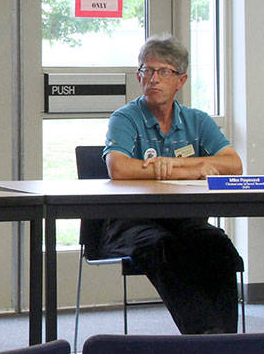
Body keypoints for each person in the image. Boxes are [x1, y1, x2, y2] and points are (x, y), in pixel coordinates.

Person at [100, 34, 244, 334]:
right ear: (139, 76)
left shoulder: (197, 120)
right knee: (163, 247)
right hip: (130, 221)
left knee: (217, 245)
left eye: (163, 71)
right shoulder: (125, 118)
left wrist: (176, 167)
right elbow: (119, 167)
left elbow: (233, 165)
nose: (153, 79)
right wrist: (194, 168)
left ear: (181, 80)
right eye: (147, 70)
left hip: (183, 219)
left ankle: (226, 340)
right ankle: (206, 336)